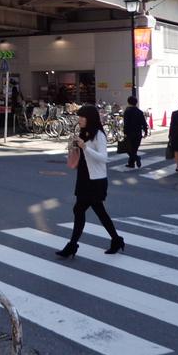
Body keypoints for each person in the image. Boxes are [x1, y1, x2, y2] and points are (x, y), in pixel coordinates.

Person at [56, 104, 124, 258]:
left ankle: (73, 246)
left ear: (90, 118)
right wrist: (73, 147)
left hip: (96, 180)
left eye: (82, 117)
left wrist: (85, 147)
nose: (79, 119)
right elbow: (82, 156)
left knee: (81, 210)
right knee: (95, 211)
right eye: (78, 116)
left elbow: (103, 158)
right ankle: (116, 240)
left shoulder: (99, 134)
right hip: (84, 177)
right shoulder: (84, 132)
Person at [122, 96, 148, 169]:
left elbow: (126, 123)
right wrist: (145, 132)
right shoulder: (139, 112)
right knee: (134, 149)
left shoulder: (127, 111)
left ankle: (136, 158)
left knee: (128, 149)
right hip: (138, 133)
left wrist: (125, 132)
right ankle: (131, 163)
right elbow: (144, 123)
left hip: (130, 133)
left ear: (128, 102)